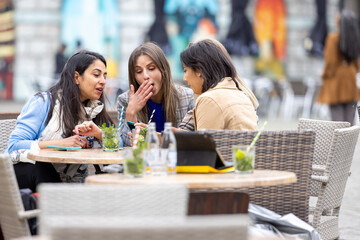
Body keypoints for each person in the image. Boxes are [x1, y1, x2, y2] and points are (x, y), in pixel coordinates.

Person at [6, 50, 113, 192]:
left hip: (71, 182)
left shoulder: (95, 111)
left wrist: (100, 134)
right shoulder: (43, 102)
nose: (103, 81)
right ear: (76, 77)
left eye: (105, 76)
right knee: (41, 167)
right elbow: (14, 145)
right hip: (29, 177)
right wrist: (61, 144)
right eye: (96, 75)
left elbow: (120, 145)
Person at [117, 42, 195, 146]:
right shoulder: (125, 100)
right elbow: (126, 144)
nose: (145, 76)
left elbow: (190, 140)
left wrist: (155, 138)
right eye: (139, 71)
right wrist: (131, 113)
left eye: (151, 68)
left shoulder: (186, 96)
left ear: (163, 69)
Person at [180, 39, 258, 130]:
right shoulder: (241, 94)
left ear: (199, 70)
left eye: (185, 70)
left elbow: (204, 143)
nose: (184, 78)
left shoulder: (209, 99)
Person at [317, 9, 360, 125]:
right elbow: (357, 65)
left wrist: (323, 74)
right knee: (349, 121)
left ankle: (340, 143)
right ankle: (349, 143)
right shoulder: (355, 39)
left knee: (338, 122)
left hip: (336, 82)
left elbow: (330, 63)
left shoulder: (333, 38)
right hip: (350, 81)